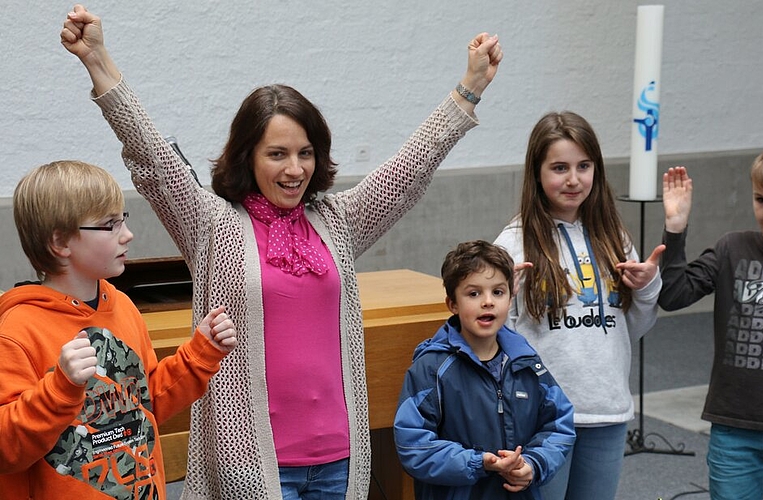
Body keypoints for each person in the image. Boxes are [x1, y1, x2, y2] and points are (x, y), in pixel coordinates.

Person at [61, 4, 502, 498]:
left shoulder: (336, 220)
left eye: (305, 152)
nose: (295, 168)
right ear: (247, 155)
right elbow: (152, 158)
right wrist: (97, 60)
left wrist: (469, 89)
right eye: (277, 154)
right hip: (250, 462)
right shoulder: (214, 223)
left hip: (340, 458)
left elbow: (409, 170)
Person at [0, 160, 238, 500]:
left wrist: (201, 352)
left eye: (122, 220)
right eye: (110, 225)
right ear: (60, 243)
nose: (127, 234)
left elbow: (147, 401)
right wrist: (59, 390)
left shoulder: (123, 306)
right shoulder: (16, 330)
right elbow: (6, 449)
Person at [493, 111, 664, 500]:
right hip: (543, 416)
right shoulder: (513, 242)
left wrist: (647, 288)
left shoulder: (613, 237)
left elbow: (629, 327)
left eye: (583, 166)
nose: (573, 179)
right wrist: (500, 305)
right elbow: (496, 339)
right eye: (559, 167)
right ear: (537, 172)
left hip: (607, 407)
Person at [659, 144, 763, 500]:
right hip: (735, 428)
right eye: (760, 199)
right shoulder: (731, 249)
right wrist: (676, 229)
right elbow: (673, 296)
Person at [394, 240, 575, 499]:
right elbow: (413, 445)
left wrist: (533, 464)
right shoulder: (432, 368)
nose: (488, 302)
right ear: (453, 304)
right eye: (474, 293)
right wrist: (479, 462)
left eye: (498, 292)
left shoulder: (526, 362)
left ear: (511, 298)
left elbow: (559, 423)